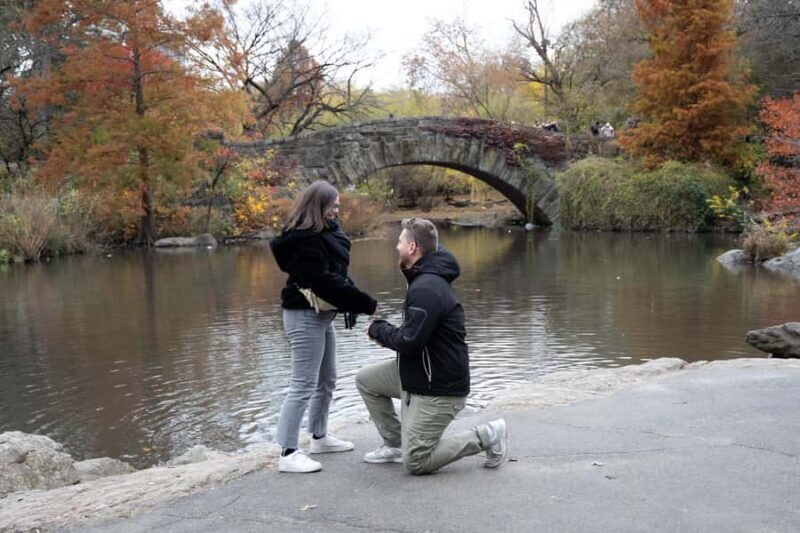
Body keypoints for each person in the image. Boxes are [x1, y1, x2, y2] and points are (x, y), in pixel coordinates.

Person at [356, 218, 507, 475]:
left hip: (438, 385)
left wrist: (378, 329)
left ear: (413, 247)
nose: (396, 246)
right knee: (366, 380)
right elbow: (414, 337)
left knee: (417, 461)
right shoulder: (424, 275)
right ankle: (394, 444)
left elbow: (409, 342)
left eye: (400, 242)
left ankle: (487, 434)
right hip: (420, 371)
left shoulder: (427, 287)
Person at [270, 181, 378, 473]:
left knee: (327, 380)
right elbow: (323, 282)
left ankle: (319, 437)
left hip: (321, 315)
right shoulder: (303, 241)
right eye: (333, 206)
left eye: (338, 205)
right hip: (303, 316)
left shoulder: (327, 234)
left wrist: (356, 298)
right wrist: (364, 302)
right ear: (318, 206)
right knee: (302, 385)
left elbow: (337, 276)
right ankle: (288, 452)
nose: (337, 210)